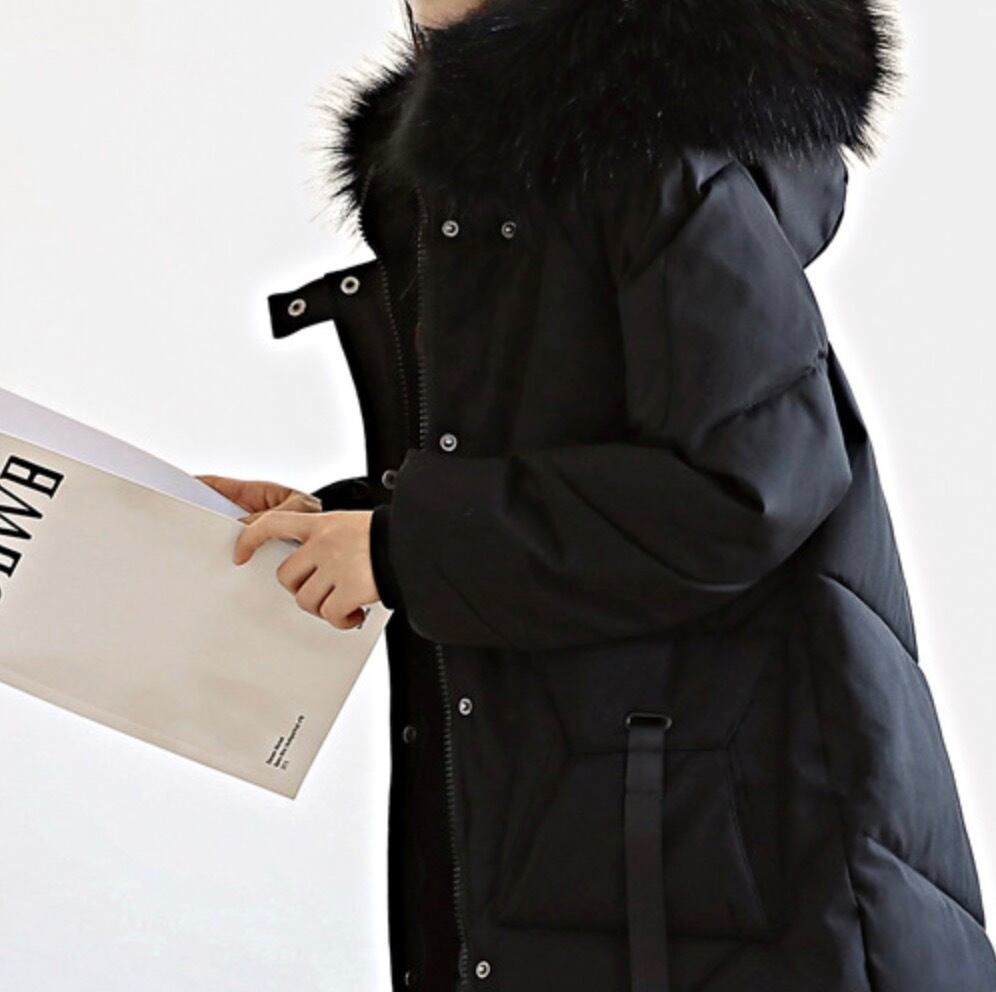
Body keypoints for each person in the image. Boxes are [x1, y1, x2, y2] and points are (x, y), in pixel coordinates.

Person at [199, 0, 996, 989]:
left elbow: (747, 483)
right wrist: (350, 528)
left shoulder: (654, 145)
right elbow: (558, 450)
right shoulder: (510, 169)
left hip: (718, 850)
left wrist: (408, 549)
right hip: (608, 824)